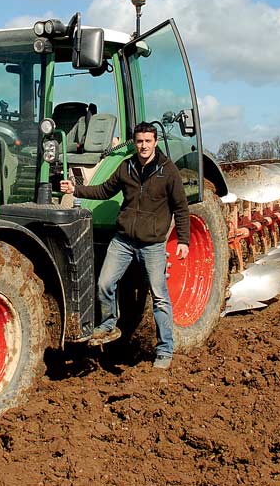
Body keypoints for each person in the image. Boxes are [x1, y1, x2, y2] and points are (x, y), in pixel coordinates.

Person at [60, 121, 190, 370]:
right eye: (139, 141)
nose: (143, 146)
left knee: (160, 297)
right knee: (104, 283)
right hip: (123, 241)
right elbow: (104, 190)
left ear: (155, 142)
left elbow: (181, 208)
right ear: (135, 142)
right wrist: (76, 190)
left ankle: (164, 350)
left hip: (152, 245)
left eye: (147, 141)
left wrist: (183, 240)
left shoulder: (168, 171)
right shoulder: (127, 166)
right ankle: (109, 323)